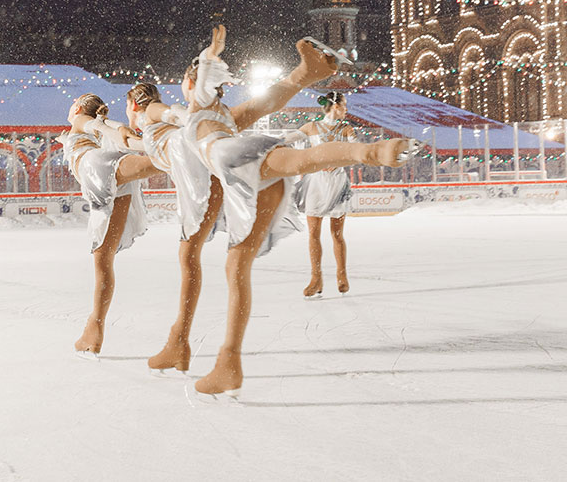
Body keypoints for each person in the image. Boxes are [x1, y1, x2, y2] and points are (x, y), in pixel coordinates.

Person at [183, 26, 419, 398]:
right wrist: (303, 74)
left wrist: (210, 56)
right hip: (247, 174)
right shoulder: (227, 116)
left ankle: (369, 152)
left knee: (302, 160)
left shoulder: (198, 108)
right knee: (239, 262)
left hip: (230, 158)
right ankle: (228, 363)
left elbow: (203, 82)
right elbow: (270, 101)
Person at [125, 83, 224, 375]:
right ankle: (178, 342)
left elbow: (175, 113)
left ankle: (179, 342)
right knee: (189, 258)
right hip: (201, 180)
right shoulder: (149, 131)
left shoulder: (151, 113)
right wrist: (120, 133)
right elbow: (139, 146)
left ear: (134, 104)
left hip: (202, 180)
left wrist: (196, 123)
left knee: (190, 258)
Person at [57, 93, 162, 357]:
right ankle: (94, 327)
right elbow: (107, 127)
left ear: (79, 107)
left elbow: (95, 126)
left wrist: (105, 127)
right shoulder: (85, 127)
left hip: (95, 168)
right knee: (103, 258)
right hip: (110, 177)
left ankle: (177, 149)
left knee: (103, 262)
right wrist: (120, 129)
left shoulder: (82, 120)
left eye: (73, 105)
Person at [285, 92, 355, 297]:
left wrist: (338, 161)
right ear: (335, 106)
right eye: (344, 105)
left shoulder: (346, 129)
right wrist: (266, 143)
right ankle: (316, 278)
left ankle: (342, 275)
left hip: (337, 183)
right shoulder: (311, 127)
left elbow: (355, 152)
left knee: (337, 233)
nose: (346, 109)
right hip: (316, 184)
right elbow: (288, 139)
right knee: (313, 233)